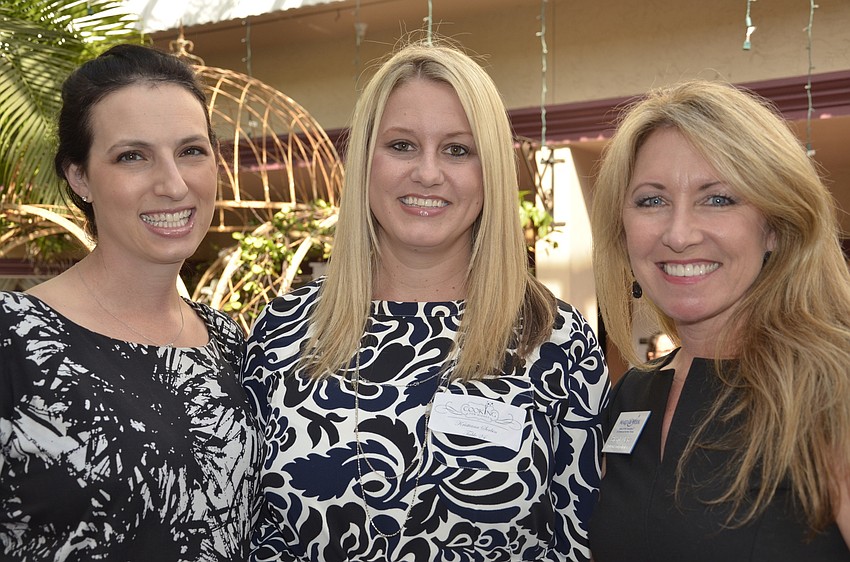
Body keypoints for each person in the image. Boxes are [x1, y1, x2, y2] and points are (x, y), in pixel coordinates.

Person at [243, 38, 609, 562]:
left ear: (491, 174)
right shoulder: (284, 330)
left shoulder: (554, 338)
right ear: (366, 161)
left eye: (457, 150)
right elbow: (249, 532)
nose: (428, 173)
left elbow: (579, 539)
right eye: (402, 145)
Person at [0, 44, 261, 560]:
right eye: (132, 156)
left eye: (191, 150)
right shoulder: (13, 341)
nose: (173, 183)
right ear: (79, 177)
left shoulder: (230, 343)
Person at [587, 80, 850, 560]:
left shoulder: (832, 389)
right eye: (651, 200)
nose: (680, 234)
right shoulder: (632, 396)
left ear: (774, 226)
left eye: (719, 198)